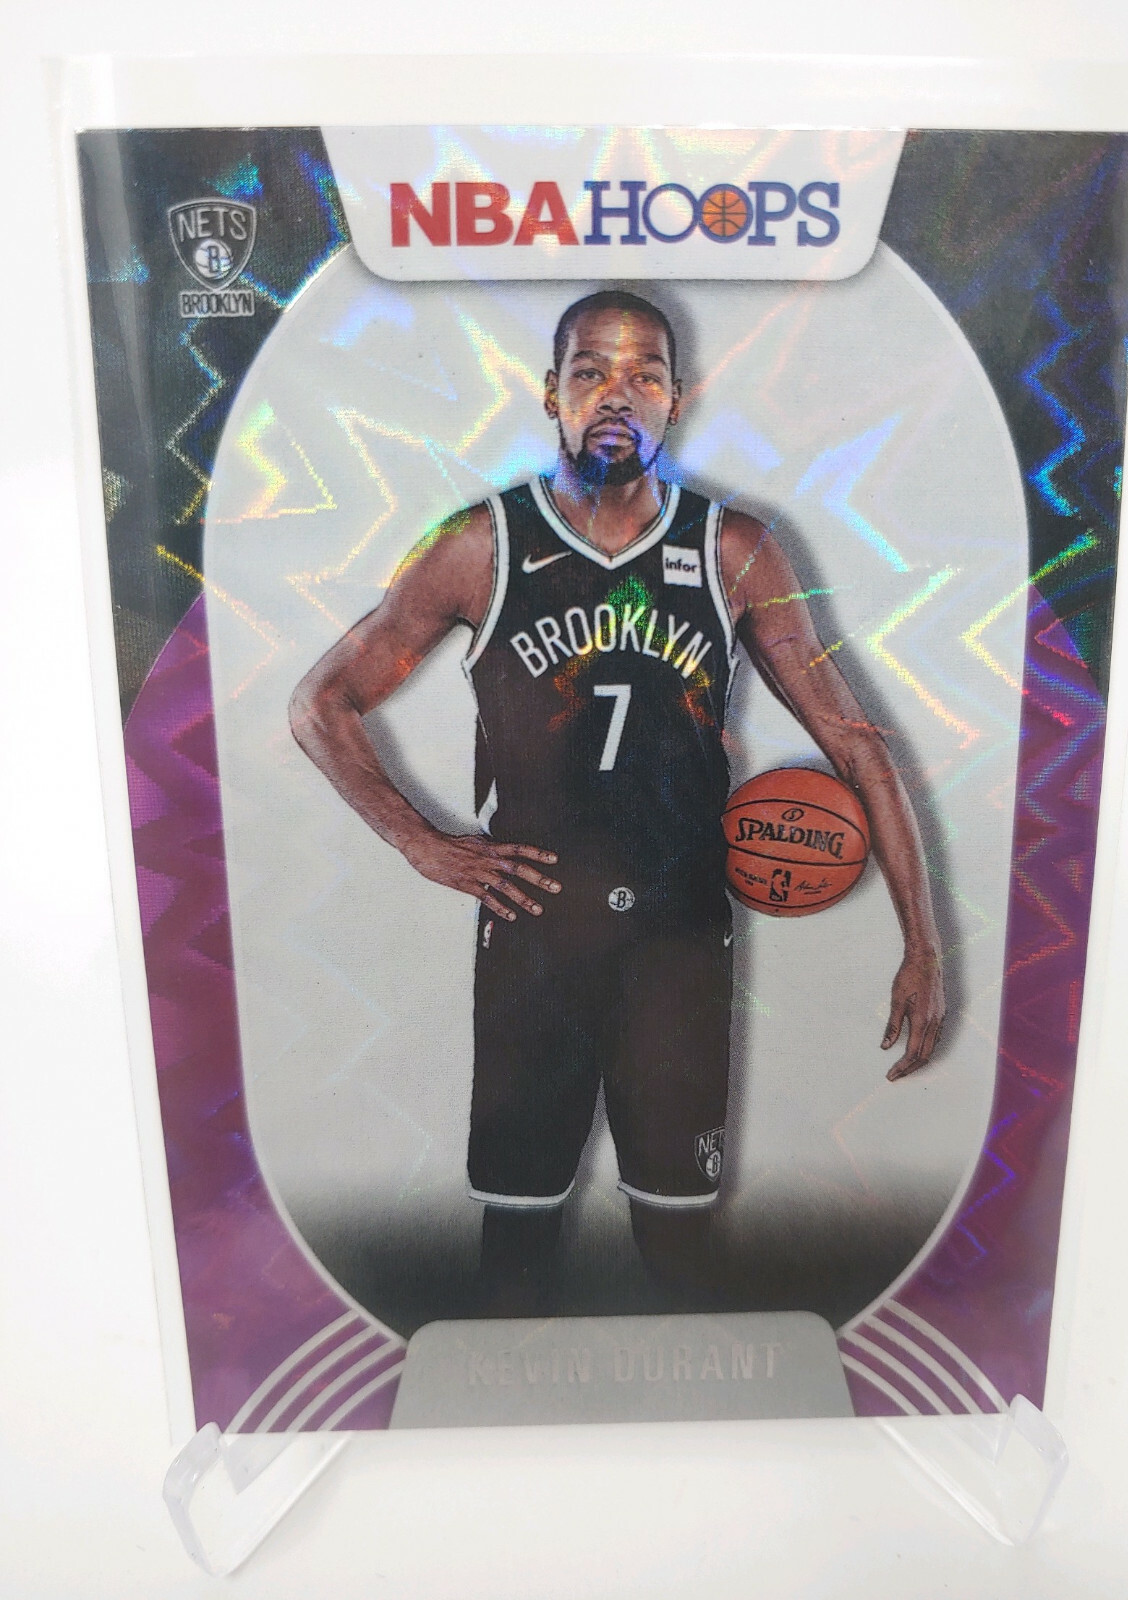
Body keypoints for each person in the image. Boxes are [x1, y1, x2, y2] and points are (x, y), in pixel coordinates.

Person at [289, 289, 945, 1311]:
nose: (616, 395)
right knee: (516, 1241)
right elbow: (319, 703)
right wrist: (424, 843)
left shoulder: (734, 551)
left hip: (677, 943)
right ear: (551, 392)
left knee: (680, 1245)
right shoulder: (480, 546)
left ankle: (680, 1409)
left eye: (644, 375)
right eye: (591, 372)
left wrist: (924, 941)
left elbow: (856, 740)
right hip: (534, 939)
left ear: (678, 398)